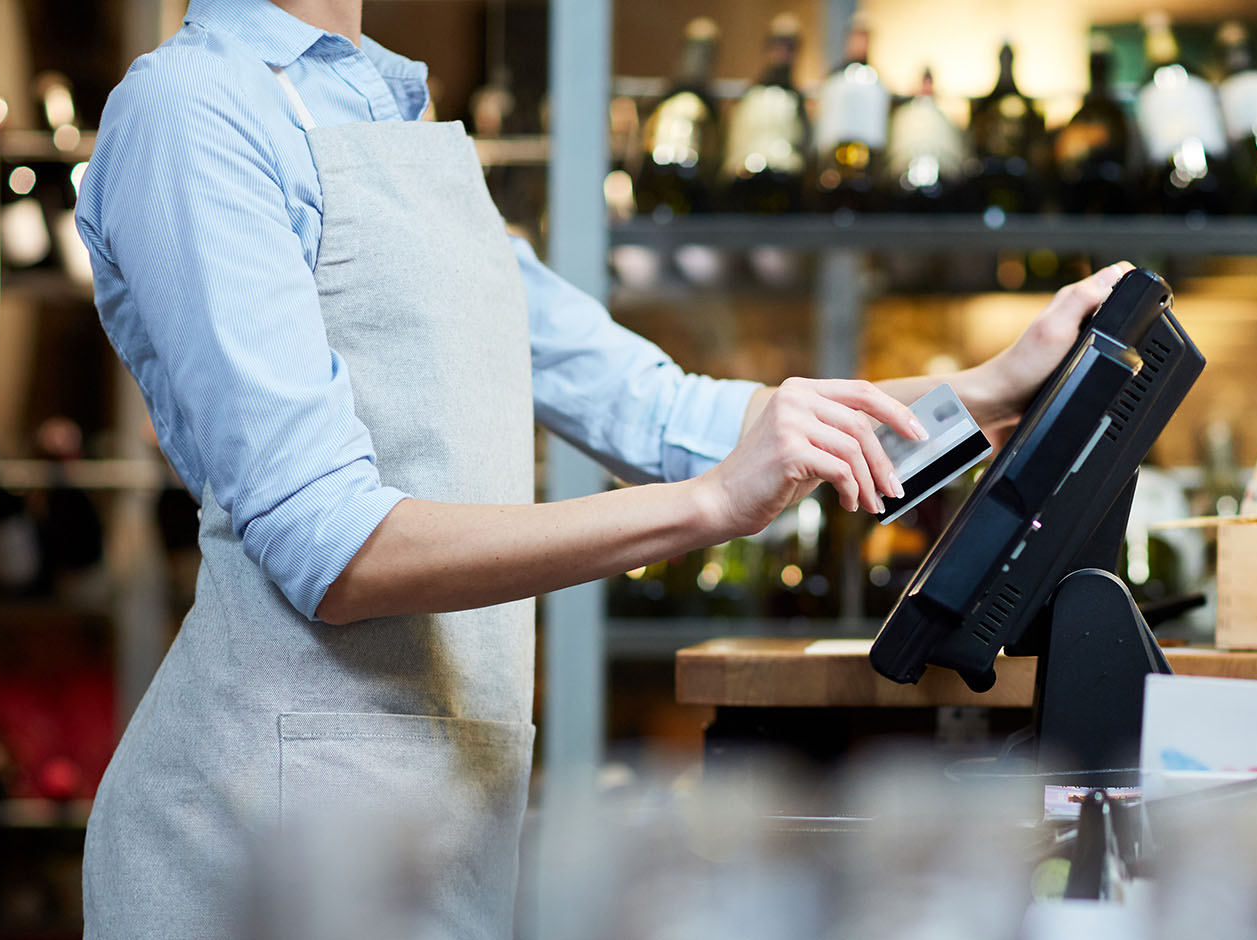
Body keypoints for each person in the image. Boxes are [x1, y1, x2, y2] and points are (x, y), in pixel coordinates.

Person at [74, 0, 1134, 934]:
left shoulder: (386, 110)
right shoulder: (192, 113)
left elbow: (666, 411)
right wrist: (714, 504)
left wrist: (991, 389)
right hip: (260, 838)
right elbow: (335, 545)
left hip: (438, 806)